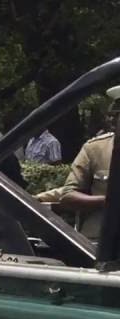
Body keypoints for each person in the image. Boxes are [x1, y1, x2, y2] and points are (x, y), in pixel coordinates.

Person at [61, 87, 119, 242]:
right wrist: (109, 201)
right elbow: (68, 195)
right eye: (114, 116)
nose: (112, 120)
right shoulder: (95, 149)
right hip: (99, 243)